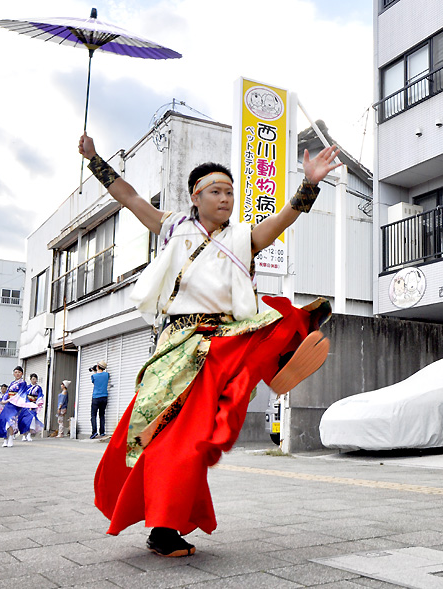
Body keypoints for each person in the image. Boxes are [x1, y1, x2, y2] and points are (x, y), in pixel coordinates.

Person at [80, 131, 338, 558]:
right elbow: (128, 196)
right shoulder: (172, 227)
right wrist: (94, 160)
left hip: (222, 341)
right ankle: (163, 528)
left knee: (276, 315)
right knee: (166, 438)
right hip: (177, 347)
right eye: (216, 192)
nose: (225, 199)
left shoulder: (241, 238)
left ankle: (279, 357)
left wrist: (308, 184)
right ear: (195, 197)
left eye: (230, 193)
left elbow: (282, 220)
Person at [0, 367, 34, 448]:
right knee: (4, 420)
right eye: (15, 372)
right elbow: (7, 393)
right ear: (13, 374)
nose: (17, 374)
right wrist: (3, 400)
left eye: (19, 372)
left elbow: (20, 394)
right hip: (8, 404)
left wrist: (8, 400)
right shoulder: (12, 383)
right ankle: (5, 439)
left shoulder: (23, 383)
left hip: (16, 405)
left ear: (22, 373)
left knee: (11, 420)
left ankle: (11, 438)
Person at [19, 373, 44, 441]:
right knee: (25, 420)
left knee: (32, 419)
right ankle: (24, 435)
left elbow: (40, 396)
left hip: (34, 405)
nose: (34, 380)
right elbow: (24, 395)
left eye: (35, 379)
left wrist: (37, 403)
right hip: (26, 405)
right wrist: (27, 403)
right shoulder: (27, 387)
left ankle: (29, 434)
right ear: (30, 379)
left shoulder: (38, 388)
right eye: (33, 379)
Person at [90, 362, 110, 439]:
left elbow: (94, 381)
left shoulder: (93, 376)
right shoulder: (107, 375)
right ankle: (102, 432)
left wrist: (94, 372)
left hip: (96, 397)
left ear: (97, 366)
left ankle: (94, 432)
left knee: (93, 415)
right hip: (104, 397)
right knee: (102, 415)